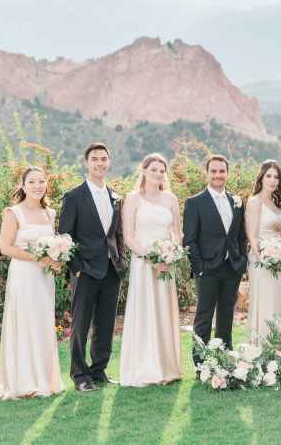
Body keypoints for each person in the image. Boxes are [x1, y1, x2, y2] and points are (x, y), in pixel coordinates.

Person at [59, 143, 127, 392]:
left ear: (109, 163)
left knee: (106, 323)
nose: (100, 163)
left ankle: (98, 371)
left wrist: (121, 260)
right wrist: (76, 268)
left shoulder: (116, 196)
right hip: (85, 270)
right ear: (86, 163)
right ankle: (80, 375)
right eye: (95, 159)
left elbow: (117, 234)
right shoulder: (73, 196)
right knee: (80, 324)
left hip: (112, 269)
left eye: (104, 159)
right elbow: (64, 236)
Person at [0, 166, 64, 400]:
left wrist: (56, 261)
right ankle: (23, 383)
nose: (37, 186)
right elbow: (6, 248)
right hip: (23, 276)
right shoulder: (14, 213)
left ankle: (45, 381)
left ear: (46, 185)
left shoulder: (50, 213)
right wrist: (40, 258)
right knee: (24, 323)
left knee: (42, 324)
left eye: (41, 181)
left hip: (44, 278)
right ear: (23, 186)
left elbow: (51, 245)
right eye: (32, 182)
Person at [119, 153, 184, 387]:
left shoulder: (171, 199)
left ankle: (167, 367)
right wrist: (150, 258)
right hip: (143, 261)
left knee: (164, 310)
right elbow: (128, 236)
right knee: (144, 309)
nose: (158, 174)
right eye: (153, 169)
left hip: (166, 264)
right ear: (144, 170)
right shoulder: (133, 199)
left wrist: (171, 252)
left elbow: (177, 234)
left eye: (162, 171)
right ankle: (144, 368)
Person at [184, 155, 248, 370]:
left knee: (226, 316)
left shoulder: (237, 202)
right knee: (203, 318)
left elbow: (241, 235)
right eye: (214, 171)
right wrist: (199, 268)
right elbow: (190, 239)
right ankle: (200, 365)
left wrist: (242, 260)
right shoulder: (194, 202)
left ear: (227, 174)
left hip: (232, 267)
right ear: (207, 174)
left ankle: (224, 361)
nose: (218, 175)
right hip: (207, 269)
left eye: (222, 171)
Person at [246, 160, 281, 341]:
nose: (272, 180)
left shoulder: (280, 205)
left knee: (278, 304)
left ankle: (278, 349)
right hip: (261, 261)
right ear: (261, 178)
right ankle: (260, 348)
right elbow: (253, 236)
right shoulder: (255, 202)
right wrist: (265, 259)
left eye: (276, 177)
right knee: (264, 303)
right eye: (269, 176)